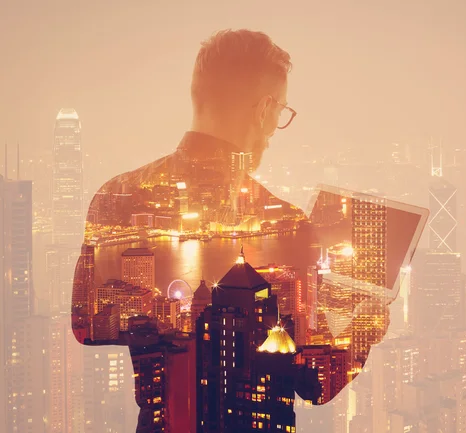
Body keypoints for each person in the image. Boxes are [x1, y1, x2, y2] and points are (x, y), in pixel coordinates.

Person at [71, 29, 390, 432]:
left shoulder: (114, 195)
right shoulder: (285, 222)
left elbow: (84, 327)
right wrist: (367, 324)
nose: (274, 131)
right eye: (280, 114)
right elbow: (315, 383)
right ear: (263, 110)